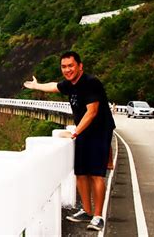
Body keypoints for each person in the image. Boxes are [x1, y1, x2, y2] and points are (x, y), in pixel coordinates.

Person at [23, 51, 115, 231]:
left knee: (96, 174)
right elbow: (54, 86)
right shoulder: (70, 84)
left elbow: (92, 112)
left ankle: (97, 216)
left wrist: (74, 133)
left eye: (71, 66)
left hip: (99, 131)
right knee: (81, 173)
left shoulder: (90, 83)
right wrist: (37, 86)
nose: (67, 70)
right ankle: (86, 211)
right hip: (84, 132)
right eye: (64, 67)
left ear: (80, 66)